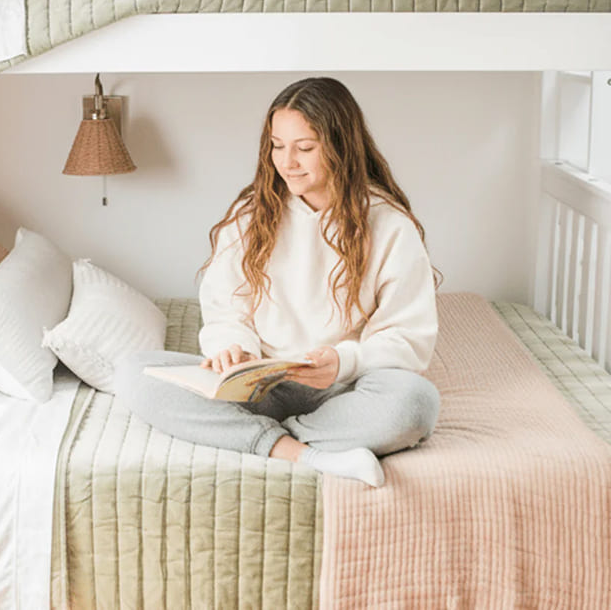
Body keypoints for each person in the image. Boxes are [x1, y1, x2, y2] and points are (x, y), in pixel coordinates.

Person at [112, 77, 441, 488]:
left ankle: (259, 438)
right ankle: (305, 453)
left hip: (344, 390)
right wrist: (234, 349)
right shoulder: (252, 214)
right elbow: (225, 307)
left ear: (341, 145)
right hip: (259, 388)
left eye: (305, 147)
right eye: (277, 145)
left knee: (416, 403)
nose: (287, 162)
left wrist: (343, 361)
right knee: (132, 372)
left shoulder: (390, 225)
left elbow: (408, 337)